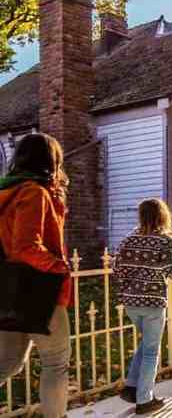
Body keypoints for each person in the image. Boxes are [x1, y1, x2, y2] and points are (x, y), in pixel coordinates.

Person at [0, 133, 71, 418]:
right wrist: (58, 267)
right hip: (39, 287)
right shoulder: (34, 193)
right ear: (51, 161)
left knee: (7, 363)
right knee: (56, 363)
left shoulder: (7, 192)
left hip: (7, 288)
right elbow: (26, 246)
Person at [113, 199, 172, 414]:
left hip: (131, 302)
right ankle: (145, 400)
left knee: (146, 343)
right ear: (162, 215)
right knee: (151, 351)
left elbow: (117, 268)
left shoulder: (128, 239)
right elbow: (171, 269)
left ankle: (131, 388)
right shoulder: (164, 240)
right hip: (153, 302)